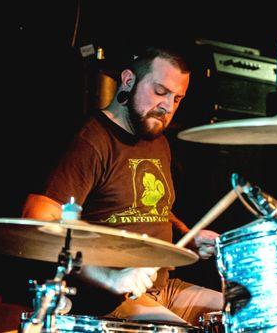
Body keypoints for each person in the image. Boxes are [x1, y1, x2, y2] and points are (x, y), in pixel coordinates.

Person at [22, 47, 223, 325]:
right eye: (160, 91)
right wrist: (110, 278)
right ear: (128, 80)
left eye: (177, 98)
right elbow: (38, 220)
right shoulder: (91, 141)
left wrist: (186, 235)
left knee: (240, 312)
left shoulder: (157, 140)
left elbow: (151, 209)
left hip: (163, 288)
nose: (168, 107)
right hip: (107, 298)